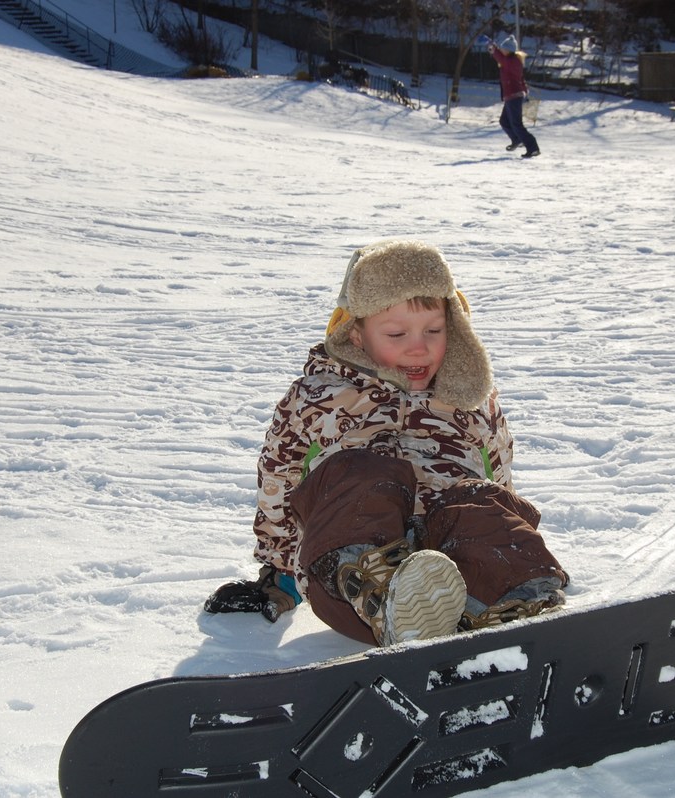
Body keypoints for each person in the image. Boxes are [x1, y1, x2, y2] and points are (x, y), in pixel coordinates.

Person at [205, 240, 568, 646]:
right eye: (396, 333)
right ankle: (386, 599)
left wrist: (505, 542)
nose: (419, 346)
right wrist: (280, 574)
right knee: (358, 474)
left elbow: (498, 480)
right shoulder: (319, 397)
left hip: (455, 566)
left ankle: (508, 601)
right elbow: (280, 480)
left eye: (434, 330)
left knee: (478, 499)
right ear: (355, 334)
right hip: (345, 579)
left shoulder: (471, 398)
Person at [488, 35, 539, 158]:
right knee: (504, 121)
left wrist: (494, 49)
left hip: (514, 96)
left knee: (516, 124)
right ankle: (517, 140)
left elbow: (501, 59)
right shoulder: (511, 60)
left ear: (509, 50)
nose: (502, 50)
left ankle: (533, 148)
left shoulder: (512, 61)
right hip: (511, 96)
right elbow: (519, 76)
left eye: (503, 48)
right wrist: (493, 48)